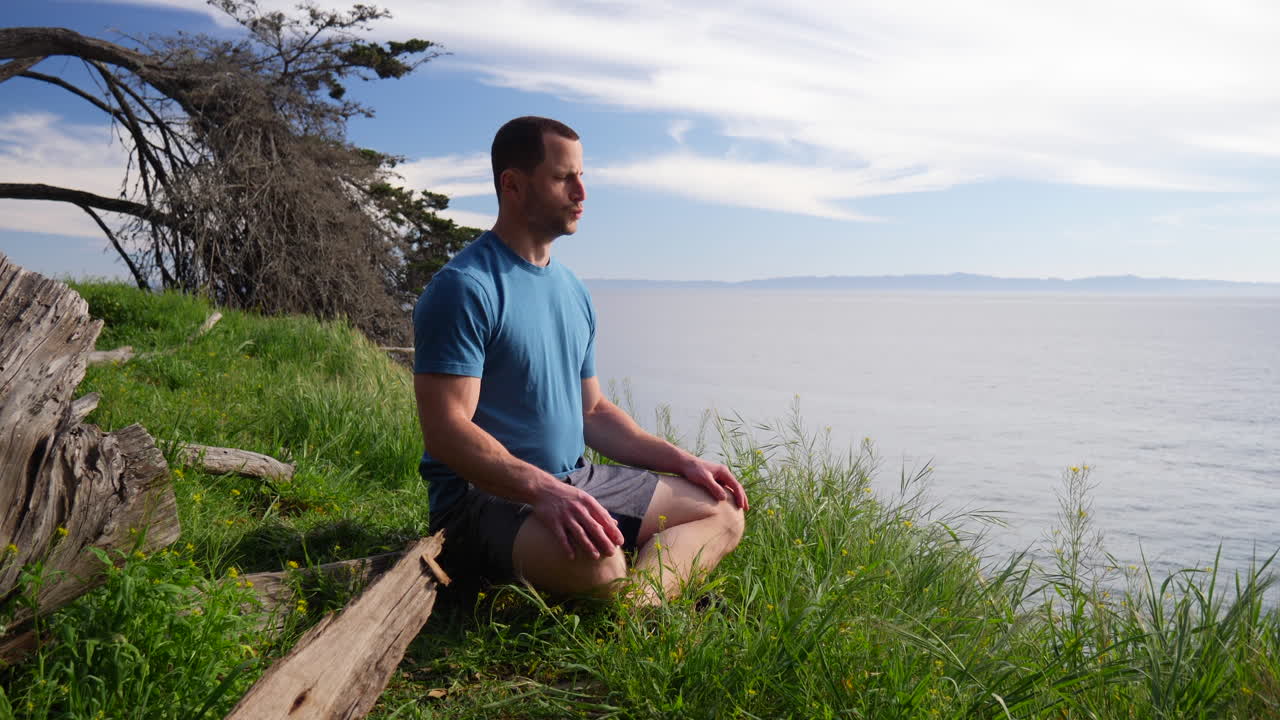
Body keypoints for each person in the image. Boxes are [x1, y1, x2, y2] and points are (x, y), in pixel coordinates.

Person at [412, 116, 747, 604]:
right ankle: (638, 592)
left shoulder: (572, 290)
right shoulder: (465, 288)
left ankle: (639, 612)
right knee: (602, 564)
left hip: (577, 479)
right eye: (563, 177)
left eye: (582, 175)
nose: (581, 192)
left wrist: (686, 461)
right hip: (482, 501)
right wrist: (545, 492)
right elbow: (446, 431)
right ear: (513, 185)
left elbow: (593, 413)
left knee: (723, 510)